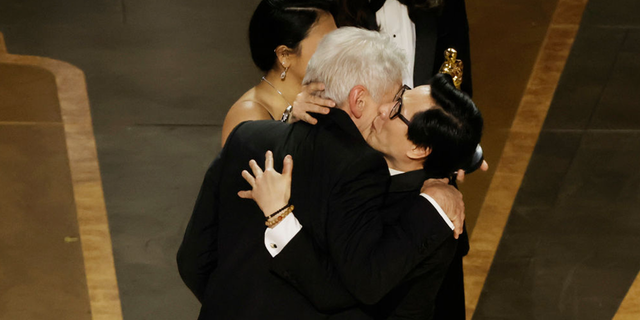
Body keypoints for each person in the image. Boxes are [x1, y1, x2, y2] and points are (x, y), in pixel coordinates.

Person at [177, 27, 465, 319]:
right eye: (395, 98)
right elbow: (344, 290)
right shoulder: (361, 171)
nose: (388, 111)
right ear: (359, 100)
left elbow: (192, 260)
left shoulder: (246, 136)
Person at [245, 73, 483, 319]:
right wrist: (296, 116)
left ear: (419, 149)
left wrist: (278, 215)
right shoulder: (369, 163)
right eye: (400, 94)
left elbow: (333, 288)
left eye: (397, 109)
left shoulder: (424, 214)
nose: (382, 108)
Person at [220, 0, 337, 145]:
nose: (339, 52)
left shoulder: (328, 99)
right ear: (285, 55)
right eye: (327, 44)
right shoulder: (248, 114)